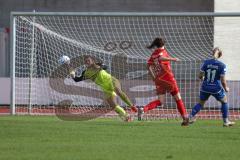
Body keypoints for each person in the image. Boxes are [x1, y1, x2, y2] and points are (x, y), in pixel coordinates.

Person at [69, 55, 137, 122]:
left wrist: (98, 67)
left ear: (92, 61)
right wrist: (72, 73)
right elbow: (76, 79)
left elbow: (105, 67)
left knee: (118, 91)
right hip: (105, 88)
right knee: (113, 105)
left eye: (89, 60)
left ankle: (132, 106)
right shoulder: (86, 73)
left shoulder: (98, 64)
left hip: (111, 81)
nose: (87, 62)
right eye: (86, 61)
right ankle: (126, 116)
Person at [139, 37, 188, 126]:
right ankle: (185, 119)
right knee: (178, 98)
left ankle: (143, 109)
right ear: (164, 44)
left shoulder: (153, 54)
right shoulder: (162, 51)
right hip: (168, 79)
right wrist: (173, 59)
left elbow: (148, 66)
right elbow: (161, 58)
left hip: (158, 79)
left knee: (160, 101)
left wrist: (154, 78)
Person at [189, 47, 235, 127]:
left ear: (212, 53)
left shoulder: (206, 63)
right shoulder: (222, 65)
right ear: (220, 55)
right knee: (224, 101)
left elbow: (200, 76)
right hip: (215, 88)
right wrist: (226, 88)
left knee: (200, 103)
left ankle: (190, 117)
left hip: (205, 87)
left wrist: (203, 78)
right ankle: (226, 121)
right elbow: (223, 80)